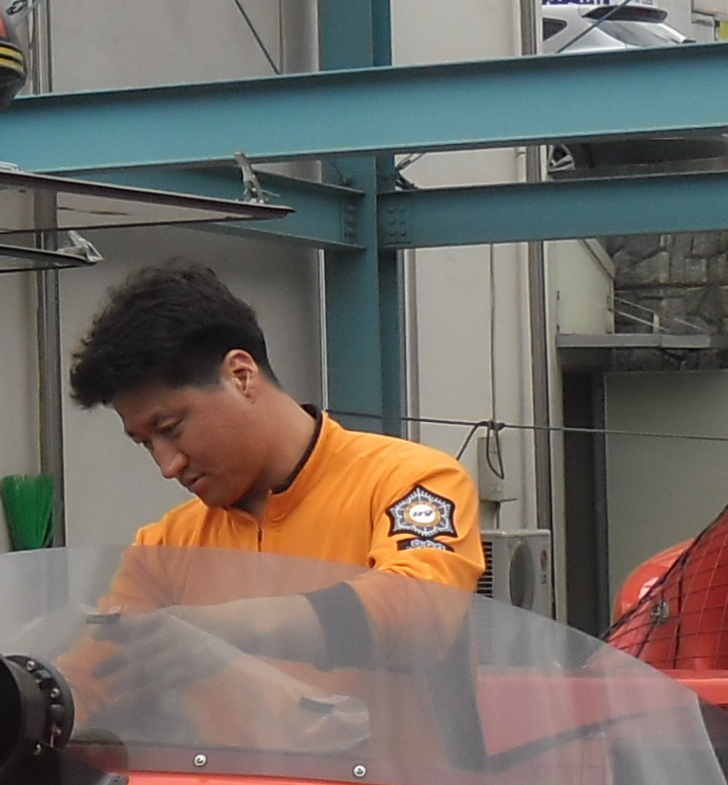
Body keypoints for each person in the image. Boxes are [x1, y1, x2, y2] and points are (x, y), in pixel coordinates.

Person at [66, 261, 484, 674]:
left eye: (170, 428)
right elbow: (94, 676)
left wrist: (218, 630)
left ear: (241, 376)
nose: (168, 465)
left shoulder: (411, 481)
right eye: (145, 443)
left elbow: (421, 610)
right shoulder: (164, 549)